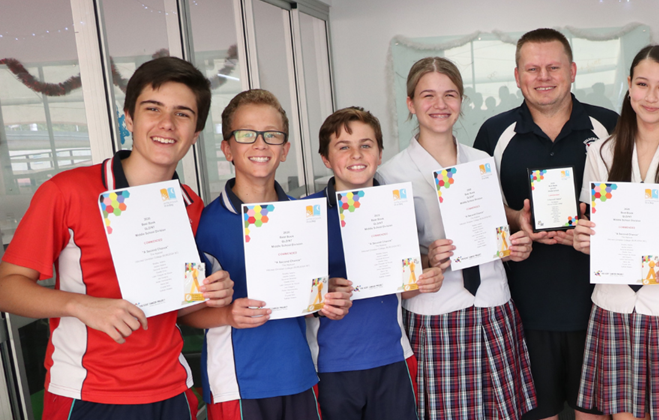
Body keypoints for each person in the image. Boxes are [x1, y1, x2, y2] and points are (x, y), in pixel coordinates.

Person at [0, 56, 233, 420]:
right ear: (129, 118)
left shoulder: (189, 205)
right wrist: (80, 305)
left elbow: (179, 308)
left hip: (172, 390)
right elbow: (8, 287)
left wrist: (209, 295)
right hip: (88, 393)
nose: (166, 124)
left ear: (196, 133)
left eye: (182, 114)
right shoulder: (67, 192)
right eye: (152, 109)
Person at [377, 57, 537, 420]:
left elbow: (496, 231)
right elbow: (389, 263)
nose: (440, 105)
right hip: (438, 314)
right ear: (410, 103)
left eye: (450, 95)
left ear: (461, 100)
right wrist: (428, 259)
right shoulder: (390, 174)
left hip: (494, 306)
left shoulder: (481, 161)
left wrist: (514, 246)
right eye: (428, 95)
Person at [180, 89, 352, 420]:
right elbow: (183, 313)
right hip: (237, 383)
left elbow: (307, 301)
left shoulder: (303, 217)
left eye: (272, 135)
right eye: (247, 135)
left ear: (285, 149)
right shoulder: (203, 224)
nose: (261, 144)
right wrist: (227, 315)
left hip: (300, 374)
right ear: (228, 149)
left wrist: (325, 296)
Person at [473, 28, 618, 420]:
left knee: (596, 414)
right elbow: (482, 208)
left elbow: (629, 206)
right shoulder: (494, 133)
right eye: (532, 69)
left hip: (599, 305)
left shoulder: (609, 126)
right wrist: (516, 220)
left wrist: (593, 227)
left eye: (553, 67)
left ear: (572, 71)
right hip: (525, 307)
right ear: (517, 76)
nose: (543, 77)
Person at [571, 45, 659, 420]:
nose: (651, 97)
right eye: (642, 84)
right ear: (629, 87)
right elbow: (593, 224)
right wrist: (584, 238)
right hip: (615, 304)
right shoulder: (600, 153)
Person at [304, 106, 447, 420]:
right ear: (326, 159)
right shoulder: (303, 214)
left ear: (380, 154)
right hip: (329, 367)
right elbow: (287, 292)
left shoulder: (395, 207)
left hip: (391, 358)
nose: (357, 154)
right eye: (344, 147)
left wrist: (426, 278)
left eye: (366, 145)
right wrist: (318, 291)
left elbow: (402, 287)